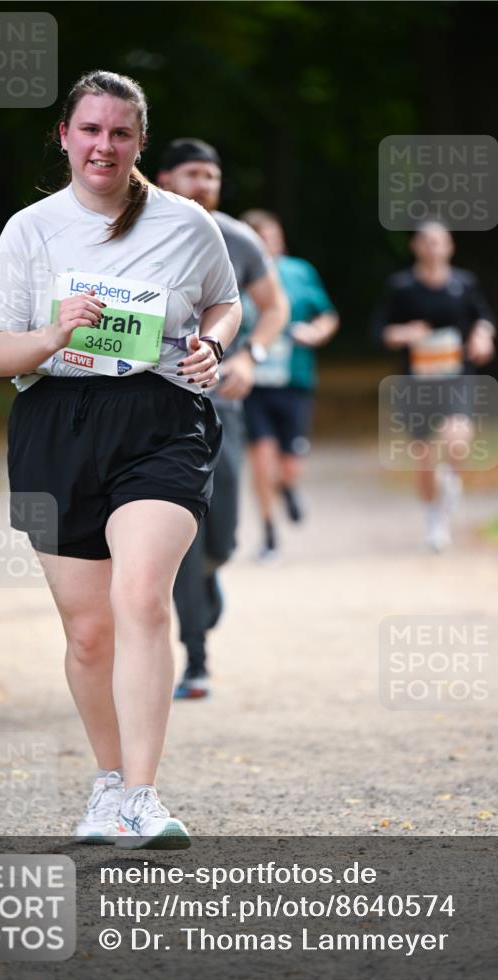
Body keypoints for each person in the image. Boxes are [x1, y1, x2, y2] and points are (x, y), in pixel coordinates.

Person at [0, 71, 241, 848]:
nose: (103, 145)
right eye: (90, 130)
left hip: (161, 420)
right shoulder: (30, 229)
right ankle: (106, 784)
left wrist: (212, 343)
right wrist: (53, 334)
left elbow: (224, 299)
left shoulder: (186, 222)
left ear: (138, 143)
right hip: (55, 423)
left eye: (119, 133)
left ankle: (142, 796)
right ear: (64, 135)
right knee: (89, 630)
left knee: (141, 596)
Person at [157, 140, 288, 698]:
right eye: (193, 174)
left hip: (223, 406)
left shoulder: (238, 237)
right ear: (164, 178)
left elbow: (275, 306)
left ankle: (209, 577)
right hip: (157, 408)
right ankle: (196, 657)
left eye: (213, 175)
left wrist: (252, 358)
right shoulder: (141, 235)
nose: (205, 183)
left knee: (221, 541)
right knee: (182, 538)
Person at [376, 220, 496, 552]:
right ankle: (434, 518)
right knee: (426, 460)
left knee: (457, 441)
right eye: (426, 241)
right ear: (415, 246)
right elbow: (381, 330)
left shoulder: (464, 284)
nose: (432, 248)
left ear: (450, 247)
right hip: (416, 385)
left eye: (439, 242)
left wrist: (483, 334)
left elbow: (484, 318)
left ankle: (453, 478)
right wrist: (402, 334)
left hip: (456, 378)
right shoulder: (402, 287)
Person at [240, 210, 339, 560]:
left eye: (274, 237)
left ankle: (290, 486)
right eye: (262, 238)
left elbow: (327, 315)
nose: (270, 244)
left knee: (289, 465)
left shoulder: (300, 272)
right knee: (261, 460)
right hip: (251, 383)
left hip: (294, 378)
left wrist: (316, 332)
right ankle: (268, 533)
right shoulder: (234, 273)